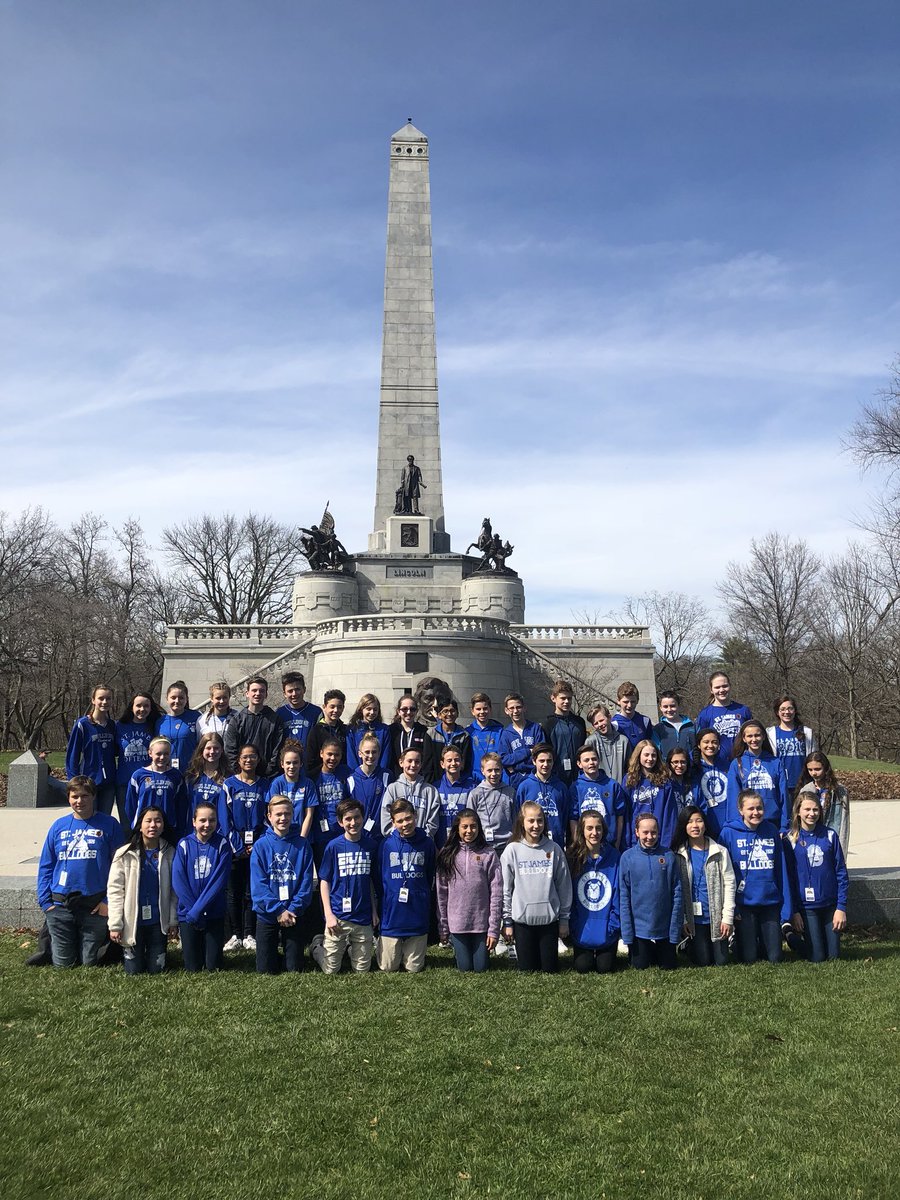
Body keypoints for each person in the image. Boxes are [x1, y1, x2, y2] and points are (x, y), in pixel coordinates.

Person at [37, 776, 123, 968]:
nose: (79, 801)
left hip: (95, 903)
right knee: (63, 965)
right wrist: (46, 902)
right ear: (68, 798)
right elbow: (46, 865)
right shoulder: (58, 826)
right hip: (61, 903)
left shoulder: (109, 824)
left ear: (94, 796)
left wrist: (107, 902)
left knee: (89, 963)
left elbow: (120, 867)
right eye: (75, 796)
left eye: (85, 796)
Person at [719, 788, 794, 965]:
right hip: (744, 904)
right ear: (740, 810)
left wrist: (785, 906)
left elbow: (780, 868)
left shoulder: (771, 830)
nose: (755, 813)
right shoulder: (728, 833)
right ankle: (738, 941)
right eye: (750, 809)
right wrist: (731, 908)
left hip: (769, 901)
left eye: (759, 808)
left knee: (775, 957)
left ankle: (765, 939)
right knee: (749, 958)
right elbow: (723, 874)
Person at [500, 801, 572, 973]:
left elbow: (564, 886)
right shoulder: (512, 850)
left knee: (550, 970)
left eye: (539, 821)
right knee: (527, 971)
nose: (535, 825)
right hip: (523, 922)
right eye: (531, 821)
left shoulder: (554, 849)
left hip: (549, 922)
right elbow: (505, 890)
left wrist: (564, 920)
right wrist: (507, 922)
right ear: (522, 822)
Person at [107, 806, 179, 976]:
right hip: (133, 922)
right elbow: (115, 890)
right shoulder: (124, 853)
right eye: (148, 821)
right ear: (140, 825)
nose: (153, 825)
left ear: (163, 825)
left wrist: (173, 921)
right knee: (134, 971)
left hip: (157, 922)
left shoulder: (170, 852)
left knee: (157, 970)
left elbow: (174, 892)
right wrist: (116, 925)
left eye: (158, 820)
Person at [312, 798, 378, 974]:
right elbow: (324, 881)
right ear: (340, 822)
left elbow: (370, 880)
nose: (353, 822)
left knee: (362, 970)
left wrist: (374, 910)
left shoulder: (371, 845)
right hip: (338, 915)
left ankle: (350, 950)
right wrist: (329, 914)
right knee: (330, 970)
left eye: (357, 817)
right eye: (348, 819)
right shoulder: (333, 847)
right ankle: (317, 947)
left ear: (363, 818)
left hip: (362, 915)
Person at [250, 796, 314, 974]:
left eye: (287, 814)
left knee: (294, 969)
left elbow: (306, 884)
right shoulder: (260, 846)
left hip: (294, 913)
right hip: (268, 914)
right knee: (265, 970)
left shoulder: (302, 845)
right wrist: (278, 911)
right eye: (278, 814)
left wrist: (292, 909)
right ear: (269, 816)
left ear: (293, 815)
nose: (283, 818)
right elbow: (259, 886)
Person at [783, 792, 849, 962]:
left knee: (834, 956)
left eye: (815, 810)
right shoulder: (790, 839)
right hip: (806, 906)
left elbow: (841, 872)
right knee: (817, 957)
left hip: (830, 904)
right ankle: (790, 935)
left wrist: (840, 908)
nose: (811, 814)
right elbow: (789, 878)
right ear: (798, 811)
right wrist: (794, 912)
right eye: (807, 809)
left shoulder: (830, 835)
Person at [436, 809, 502, 973]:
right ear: (457, 829)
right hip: (457, 924)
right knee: (465, 968)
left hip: (481, 924)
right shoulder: (447, 854)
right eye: (464, 827)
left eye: (473, 826)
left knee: (480, 968)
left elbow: (496, 892)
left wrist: (493, 929)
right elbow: (441, 894)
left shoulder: (488, 853)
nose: (469, 831)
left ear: (479, 828)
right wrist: (443, 927)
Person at [376, 798, 436, 973]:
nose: (405, 824)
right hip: (392, 915)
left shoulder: (427, 844)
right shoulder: (387, 844)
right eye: (400, 821)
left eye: (408, 818)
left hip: (417, 912)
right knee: (388, 967)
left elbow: (430, 873)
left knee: (414, 968)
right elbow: (380, 876)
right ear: (393, 823)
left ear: (415, 816)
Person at [671, 805, 735, 967]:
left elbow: (730, 884)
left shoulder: (720, 851)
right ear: (683, 826)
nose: (695, 826)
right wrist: (683, 919)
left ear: (705, 824)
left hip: (716, 918)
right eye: (690, 822)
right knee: (703, 961)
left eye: (699, 821)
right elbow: (676, 890)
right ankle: (688, 944)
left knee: (721, 962)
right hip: (694, 920)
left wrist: (727, 918)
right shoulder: (678, 854)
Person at [172, 801, 231, 972]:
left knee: (213, 966)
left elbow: (218, 882)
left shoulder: (223, 845)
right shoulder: (184, 844)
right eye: (202, 820)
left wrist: (200, 910)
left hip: (213, 913)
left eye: (211, 820)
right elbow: (178, 881)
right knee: (192, 967)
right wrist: (194, 912)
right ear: (194, 821)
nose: (207, 825)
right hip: (188, 914)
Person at [618, 813, 682, 970]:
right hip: (639, 930)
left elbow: (677, 894)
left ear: (658, 832)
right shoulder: (627, 857)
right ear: (637, 832)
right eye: (645, 832)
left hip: (664, 928)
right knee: (640, 966)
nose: (649, 836)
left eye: (653, 832)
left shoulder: (669, 856)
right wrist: (627, 935)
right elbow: (624, 897)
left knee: (668, 966)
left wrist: (674, 933)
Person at [221, 744, 268, 952]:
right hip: (235, 846)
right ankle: (235, 934)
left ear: (258, 760)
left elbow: (269, 817)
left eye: (253, 757)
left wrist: (257, 845)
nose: (249, 760)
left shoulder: (265, 785)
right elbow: (225, 820)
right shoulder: (229, 784)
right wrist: (238, 847)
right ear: (238, 760)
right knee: (234, 892)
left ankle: (249, 933)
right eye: (245, 757)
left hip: (257, 844)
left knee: (251, 891)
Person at [567, 811, 621, 974]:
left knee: (605, 967)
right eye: (589, 828)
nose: (594, 833)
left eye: (598, 828)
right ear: (582, 830)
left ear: (604, 830)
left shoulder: (615, 857)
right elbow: (569, 897)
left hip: (606, 929)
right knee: (583, 966)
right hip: (581, 929)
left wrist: (613, 926)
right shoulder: (572, 857)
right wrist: (574, 925)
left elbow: (618, 895)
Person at [725, 720, 790, 833]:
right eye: (749, 736)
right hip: (747, 824)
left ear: (763, 736)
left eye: (757, 735)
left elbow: (783, 796)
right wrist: (736, 826)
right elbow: (733, 798)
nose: (754, 739)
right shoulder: (737, 764)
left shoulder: (775, 762)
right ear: (744, 739)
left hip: (772, 822)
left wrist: (784, 826)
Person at [65, 683, 117, 816]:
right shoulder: (82, 725)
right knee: (88, 819)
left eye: (108, 698)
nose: (104, 702)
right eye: (101, 698)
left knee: (104, 818)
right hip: (88, 783)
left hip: (108, 784)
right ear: (93, 700)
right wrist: (75, 783)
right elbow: (72, 755)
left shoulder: (112, 725)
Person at [126, 736, 189, 837]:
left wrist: (179, 828)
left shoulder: (176, 775)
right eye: (158, 754)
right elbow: (130, 805)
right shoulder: (138, 775)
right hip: (145, 828)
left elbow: (181, 805)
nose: (162, 757)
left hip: (168, 827)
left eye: (166, 754)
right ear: (150, 753)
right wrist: (137, 823)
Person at [113, 692, 161, 824]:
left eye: (146, 706)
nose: (142, 709)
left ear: (151, 708)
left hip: (148, 783)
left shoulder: (155, 726)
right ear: (131, 707)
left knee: (148, 822)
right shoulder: (119, 726)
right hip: (124, 782)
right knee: (127, 824)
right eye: (138, 705)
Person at [223, 677, 285, 777]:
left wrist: (268, 773)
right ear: (247, 693)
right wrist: (240, 774)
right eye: (254, 690)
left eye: (261, 691)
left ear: (266, 694)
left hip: (267, 778)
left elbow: (278, 750)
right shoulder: (236, 720)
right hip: (241, 777)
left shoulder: (275, 720)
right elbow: (230, 750)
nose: (258, 693)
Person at [623, 740, 679, 850]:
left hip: (658, 840)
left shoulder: (665, 782)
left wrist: (665, 844)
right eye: (646, 755)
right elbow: (625, 814)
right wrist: (627, 843)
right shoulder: (629, 780)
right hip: (635, 842)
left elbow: (670, 815)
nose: (650, 759)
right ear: (638, 755)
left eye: (653, 755)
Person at [568, 743, 626, 848]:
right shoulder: (575, 787)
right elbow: (573, 817)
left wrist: (617, 843)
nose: (591, 763)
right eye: (586, 760)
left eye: (594, 759)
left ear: (599, 761)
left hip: (609, 843)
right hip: (585, 844)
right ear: (579, 764)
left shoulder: (612, 785)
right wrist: (578, 844)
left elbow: (620, 816)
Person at [515, 743, 571, 848]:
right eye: (541, 761)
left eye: (549, 761)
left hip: (556, 843)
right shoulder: (524, 787)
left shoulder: (561, 787)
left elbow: (565, 817)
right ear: (534, 761)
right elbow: (518, 817)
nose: (545, 764)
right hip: (530, 844)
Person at [381, 747, 442, 838]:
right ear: (401, 763)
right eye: (409, 761)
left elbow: (433, 822)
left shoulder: (430, 791)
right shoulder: (392, 789)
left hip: (422, 844)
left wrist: (423, 837)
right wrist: (398, 837)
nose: (413, 765)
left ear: (421, 764)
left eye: (417, 762)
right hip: (398, 843)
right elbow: (386, 818)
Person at [797, 751, 850, 854]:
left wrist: (842, 852)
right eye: (810, 770)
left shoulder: (840, 791)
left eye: (817, 769)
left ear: (825, 768)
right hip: (812, 841)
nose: (813, 773)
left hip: (832, 839)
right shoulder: (805, 790)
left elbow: (844, 822)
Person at [765, 695, 818, 797]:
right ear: (777, 712)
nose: (787, 712)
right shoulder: (770, 733)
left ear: (795, 710)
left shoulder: (807, 732)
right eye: (783, 709)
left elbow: (814, 758)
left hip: (803, 783)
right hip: (781, 783)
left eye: (790, 708)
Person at [309, 738, 351, 865]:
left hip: (342, 832)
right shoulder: (313, 777)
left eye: (337, 755)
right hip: (320, 834)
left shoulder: (346, 773)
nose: (333, 758)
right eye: (329, 754)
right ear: (321, 753)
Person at [695, 671, 752, 761]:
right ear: (711, 690)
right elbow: (700, 742)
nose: (721, 690)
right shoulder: (705, 714)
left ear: (730, 686)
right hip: (718, 763)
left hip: (742, 761)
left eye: (725, 686)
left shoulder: (743, 710)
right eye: (717, 687)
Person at [468, 752, 517, 854]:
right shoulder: (475, 794)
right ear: (482, 771)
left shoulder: (510, 792)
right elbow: (471, 821)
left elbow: (515, 820)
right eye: (489, 770)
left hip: (507, 845)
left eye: (497, 770)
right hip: (483, 846)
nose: (493, 774)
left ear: (502, 770)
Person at [266, 738, 315, 838]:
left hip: (302, 835)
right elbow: (272, 812)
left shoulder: (308, 784)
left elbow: (309, 814)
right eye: (288, 763)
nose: (292, 766)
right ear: (282, 764)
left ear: (301, 764)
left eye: (295, 762)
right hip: (281, 836)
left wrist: (302, 838)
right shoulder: (276, 784)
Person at [543, 680, 586, 786]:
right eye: (562, 698)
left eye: (569, 698)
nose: (566, 701)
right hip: (557, 776)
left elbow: (584, 747)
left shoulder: (579, 722)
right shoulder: (548, 724)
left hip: (579, 775)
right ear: (553, 698)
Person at [498, 692, 545, 788]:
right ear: (506, 710)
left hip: (536, 778)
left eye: (518, 707)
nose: (515, 711)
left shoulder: (535, 729)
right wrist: (528, 751)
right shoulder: (506, 734)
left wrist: (515, 765)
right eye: (511, 708)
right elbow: (504, 759)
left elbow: (541, 753)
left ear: (524, 708)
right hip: (516, 781)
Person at [348, 733, 388, 842]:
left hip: (381, 835)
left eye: (374, 752)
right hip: (359, 835)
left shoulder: (387, 776)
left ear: (379, 753)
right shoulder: (351, 779)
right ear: (359, 754)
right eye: (367, 752)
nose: (370, 756)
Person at [434, 745, 475, 847]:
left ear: (461, 763)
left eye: (457, 760)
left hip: (465, 844)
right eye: (449, 760)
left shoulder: (472, 787)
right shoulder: (435, 787)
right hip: (441, 844)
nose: (453, 763)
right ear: (442, 764)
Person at [157, 681, 202, 774]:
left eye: (181, 698)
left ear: (186, 699)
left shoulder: (196, 717)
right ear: (167, 699)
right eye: (173, 697)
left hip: (191, 772)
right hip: (167, 772)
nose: (177, 701)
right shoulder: (160, 722)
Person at [691, 729, 729, 837]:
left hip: (725, 823)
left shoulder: (727, 766)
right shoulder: (693, 767)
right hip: (704, 824)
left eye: (714, 742)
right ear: (699, 745)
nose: (710, 745)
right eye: (706, 742)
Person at [390, 695, 436, 782]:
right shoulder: (391, 731)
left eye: (412, 709)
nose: (408, 712)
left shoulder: (423, 731)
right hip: (395, 780)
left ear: (417, 711)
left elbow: (427, 759)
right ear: (398, 711)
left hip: (417, 780)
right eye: (404, 709)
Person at [346, 693, 392, 776]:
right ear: (361, 709)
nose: (372, 712)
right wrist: (356, 775)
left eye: (375, 709)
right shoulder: (352, 730)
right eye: (368, 709)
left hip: (378, 776)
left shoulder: (384, 730)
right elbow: (351, 756)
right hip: (358, 776)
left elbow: (385, 755)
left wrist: (379, 773)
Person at [184, 732, 227, 819]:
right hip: (193, 829)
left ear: (222, 750)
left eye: (216, 748)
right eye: (208, 748)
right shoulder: (191, 777)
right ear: (201, 750)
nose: (212, 752)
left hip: (217, 830)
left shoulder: (228, 779)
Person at [275, 671, 322, 750]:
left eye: (297, 689)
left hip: (308, 760)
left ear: (304, 689)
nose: (294, 694)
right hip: (287, 761)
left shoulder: (316, 712)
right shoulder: (280, 713)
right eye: (290, 691)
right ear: (284, 694)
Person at [428, 695, 473, 778]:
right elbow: (427, 763)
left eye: (452, 711)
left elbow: (465, 762)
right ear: (439, 715)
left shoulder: (464, 735)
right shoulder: (431, 734)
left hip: (458, 781)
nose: (449, 714)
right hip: (436, 782)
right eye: (445, 711)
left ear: (457, 713)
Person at [305, 689, 348, 774]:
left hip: (341, 778)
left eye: (339, 707)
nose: (335, 710)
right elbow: (310, 760)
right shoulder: (316, 731)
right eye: (332, 707)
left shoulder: (345, 730)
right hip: (321, 779)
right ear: (324, 707)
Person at [584, 704, 628, 784]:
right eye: (596, 723)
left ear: (609, 717)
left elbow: (629, 767)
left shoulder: (623, 741)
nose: (600, 725)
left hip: (620, 788)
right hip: (599, 788)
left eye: (601, 720)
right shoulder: (591, 741)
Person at [467, 692, 504, 782]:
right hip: (474, 780)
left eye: (485, 708)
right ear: (472, 711)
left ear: (490, 709)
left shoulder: (499, 730)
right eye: (478, 709)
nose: (482, 712)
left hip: (495, 778)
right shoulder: (468, 732)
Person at [611, 681, 654, 753]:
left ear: (637, 701)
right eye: (626, 702)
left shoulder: (645, 721)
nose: (629, 705)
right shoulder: (613, 723)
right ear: (618, 701)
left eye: (633, 701)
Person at [653, 691, 697, 761]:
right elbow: (656, 751)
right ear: (660, 708)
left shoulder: (692, 726)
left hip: (688, 768)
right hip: (666, 769)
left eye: (672, 706)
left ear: (678, 706)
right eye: (665, 706)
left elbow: (696, 749)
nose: (669, 709)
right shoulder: (657, 729)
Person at [666, 747, 694, 811]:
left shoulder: (694, 784)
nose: (679, 766)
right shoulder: (666, 785)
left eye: (683, 762)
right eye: (675, 762)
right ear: (669, 764)